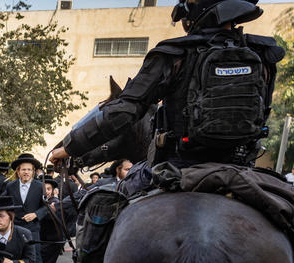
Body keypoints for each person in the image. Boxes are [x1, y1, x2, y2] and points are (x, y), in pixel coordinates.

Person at [50, 0, 282, 172]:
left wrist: (70, 148)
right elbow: (263, 114)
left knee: (102, 204)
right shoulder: (263, 55)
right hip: (241, 166)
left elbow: (126, 110)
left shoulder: (175, 53)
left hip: (178, 166)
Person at [5, 153, 51, 263]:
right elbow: (5, 204)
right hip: (15, 229)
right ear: (18, 171)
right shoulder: (10, 186)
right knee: (14, 258)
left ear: (33, 171)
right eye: (23, 169)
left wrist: (36, 214)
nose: (26, 172)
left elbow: (46, 208)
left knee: (36, 260)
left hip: (32, 229)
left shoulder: (40, 186)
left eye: (29, 170)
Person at [40, 179, 65, 263]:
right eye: (43, 189)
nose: (46, 192)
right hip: (45, 240)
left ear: (53, 191)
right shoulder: (42, 202)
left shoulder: (55, 203)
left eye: (48, 189)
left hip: (53, 241)